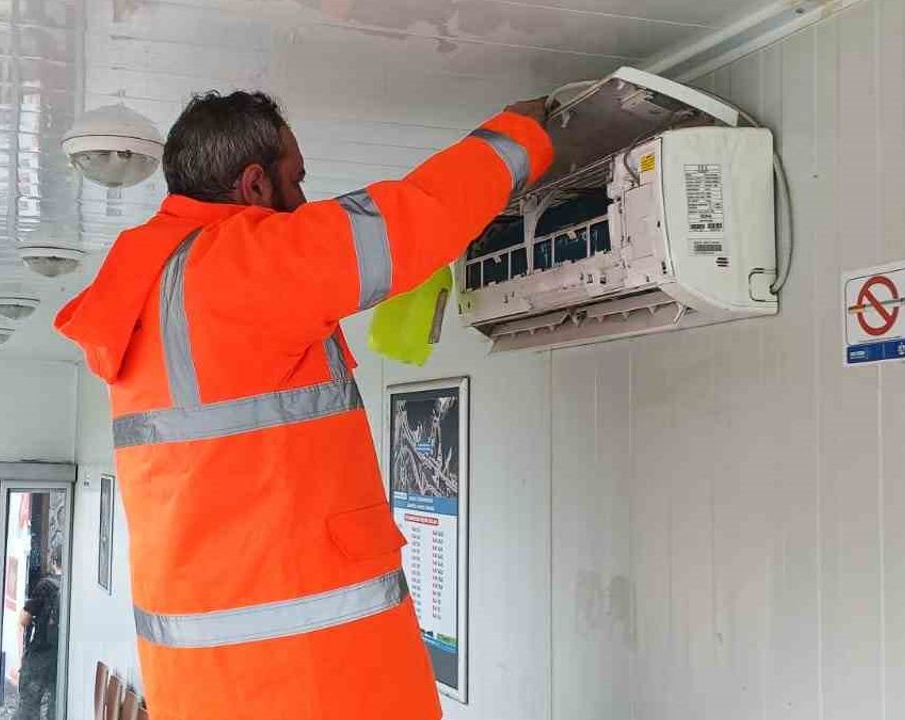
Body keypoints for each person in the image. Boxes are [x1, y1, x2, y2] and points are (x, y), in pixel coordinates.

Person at [56, 90, 552, 720]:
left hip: (207, 683)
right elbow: (410, 220)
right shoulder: (235, 267)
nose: (304, 200)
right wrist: (518, 137)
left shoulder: (150, 287)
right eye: (297, 180)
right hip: (306, 680)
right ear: (254, 185)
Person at [15, 554, 62, 720]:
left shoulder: (45, 586)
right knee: (55, 706)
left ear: (53, 561)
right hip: (60, 658)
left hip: (40, 654)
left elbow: (23, 619)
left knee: (28, 706)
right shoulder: (73, 587)